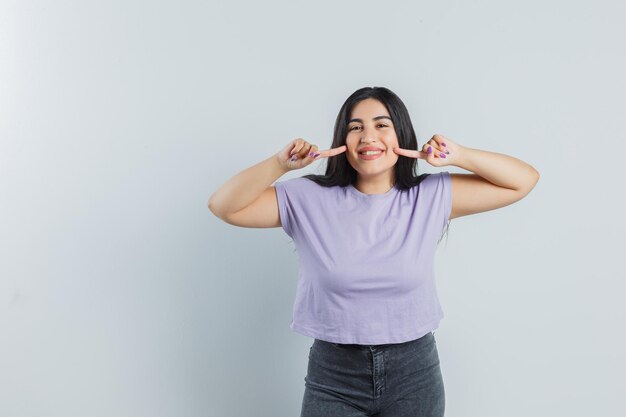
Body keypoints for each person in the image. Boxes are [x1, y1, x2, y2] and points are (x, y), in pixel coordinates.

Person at [208, 86, 539, 417]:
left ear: (401, 135)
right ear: (343, 140)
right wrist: (279, 164)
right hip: (334, 375)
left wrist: (459, 155)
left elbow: (522, 181)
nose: (368, 137)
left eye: (382, 125)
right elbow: (224, 206)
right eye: (355, 127)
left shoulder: (430, 195)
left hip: (414, 374)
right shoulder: (307, 197)